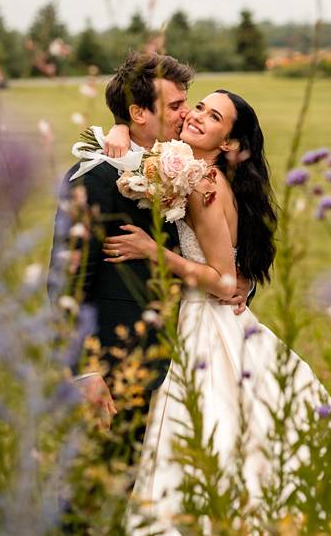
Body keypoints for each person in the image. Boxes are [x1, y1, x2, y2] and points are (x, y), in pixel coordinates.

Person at [103, 90, 331, 534]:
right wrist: (120, 128)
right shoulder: (192, 169)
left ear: (228, 144)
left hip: (204, 323)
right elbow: (138, 140)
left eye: (213, 117)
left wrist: (152, 250)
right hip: (210, 317)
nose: (196, 116)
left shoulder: (204, 183)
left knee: (208, 431)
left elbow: (222, 279)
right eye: (198, 106)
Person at [47, 54, 247, 451]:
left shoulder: (183, 167)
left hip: (178, 361)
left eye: (186, 103)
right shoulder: (93, 179)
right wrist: (84, 371)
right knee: (96, 493)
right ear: (139, 113)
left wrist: (242, 286)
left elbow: (218, 249)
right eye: (176, 106)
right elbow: (66, 285)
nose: (187, 114)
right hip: (114, 367)